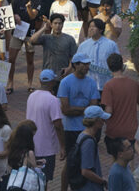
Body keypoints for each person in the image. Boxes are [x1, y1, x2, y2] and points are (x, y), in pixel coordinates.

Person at [58, 53, 100, 191]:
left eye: (88, 64)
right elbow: (65, 110)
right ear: (75, 65)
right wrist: (86, 110)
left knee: (87, 163)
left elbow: (94, 108)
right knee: (70, 164)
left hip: (87, 129)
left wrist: (76, 109)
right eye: (84, 64)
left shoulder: (92, 83)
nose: (87, 66)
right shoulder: (65, 82)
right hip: (70, 129)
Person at [25, 69, 66, 182]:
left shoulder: (31, 96)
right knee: (43, 181)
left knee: (32, 181)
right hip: (46, 149)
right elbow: (58, 125)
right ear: (52, 82)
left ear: (40, 81)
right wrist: (63, 146)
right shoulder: (53, 100)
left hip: (31, 146)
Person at [102, 53, 139, 152]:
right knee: (131, 159)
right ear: (122, 65)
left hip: (114, 131)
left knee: (117, 161)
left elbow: (108, 111)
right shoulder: (133, 84)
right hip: (132, 130)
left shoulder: (108, 86)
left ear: (109, 67)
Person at [8, 0, 41, 93]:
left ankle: (30, 84)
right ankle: (10, 83)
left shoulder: (36, 1)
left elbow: (32, 17)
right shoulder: (16, 0)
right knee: (11, 59)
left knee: (30, 59)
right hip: (17, 32)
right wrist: (14, 16)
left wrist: (28, 8)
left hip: (29, 33)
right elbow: (8, 14)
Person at [71, 106, 111, 190]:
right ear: (96, 121)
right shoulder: (89, 141)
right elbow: (86, 171)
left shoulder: (82, 135)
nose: (104, 122)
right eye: (102, 119)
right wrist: (102, 181)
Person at [28, 13, 77, 80]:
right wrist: (44, 28)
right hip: (48, 75)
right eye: (55, 23)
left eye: (60, 23)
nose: (57, 26)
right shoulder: (46, 38)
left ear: (63, 25)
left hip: (63, 75)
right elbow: (32, 40)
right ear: (51, 24)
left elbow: (74, 57)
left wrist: (69, 68)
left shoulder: (69, 39)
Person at [75, 19, 119, 92]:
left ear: (101, 30)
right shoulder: (83, 46)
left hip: (106, 84)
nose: (91, 29)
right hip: (88, 85)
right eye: (89, 27)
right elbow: (77, 62)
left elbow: (117, 64)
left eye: (94, 27)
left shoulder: (111, 45)